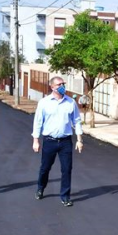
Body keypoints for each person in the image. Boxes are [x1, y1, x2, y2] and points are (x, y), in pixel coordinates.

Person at [32, 76, 84, 206]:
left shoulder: (70, 103)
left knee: (67, 169)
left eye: (63, 84)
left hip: (65, 141)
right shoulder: (44, 102)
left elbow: (77, 121)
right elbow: (37, 122)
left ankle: (65, 196)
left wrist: (79, 139)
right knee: (45, 168)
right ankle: (40, 187)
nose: (63, 87)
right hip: (49, 141)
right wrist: (36, 140)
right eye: (59, 84)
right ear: (52, 87)